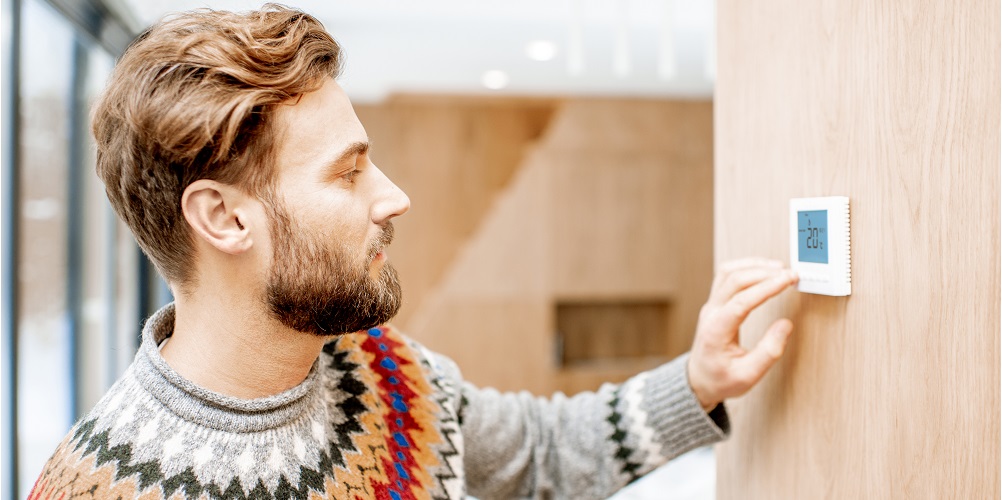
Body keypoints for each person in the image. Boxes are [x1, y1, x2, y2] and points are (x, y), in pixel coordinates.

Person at [30, 5, 799, 500]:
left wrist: (698, 382)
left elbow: (537, 455)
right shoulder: (96, 488)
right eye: (348, 171)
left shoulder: (376, 367)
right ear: (225, 219)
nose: (392, 197)